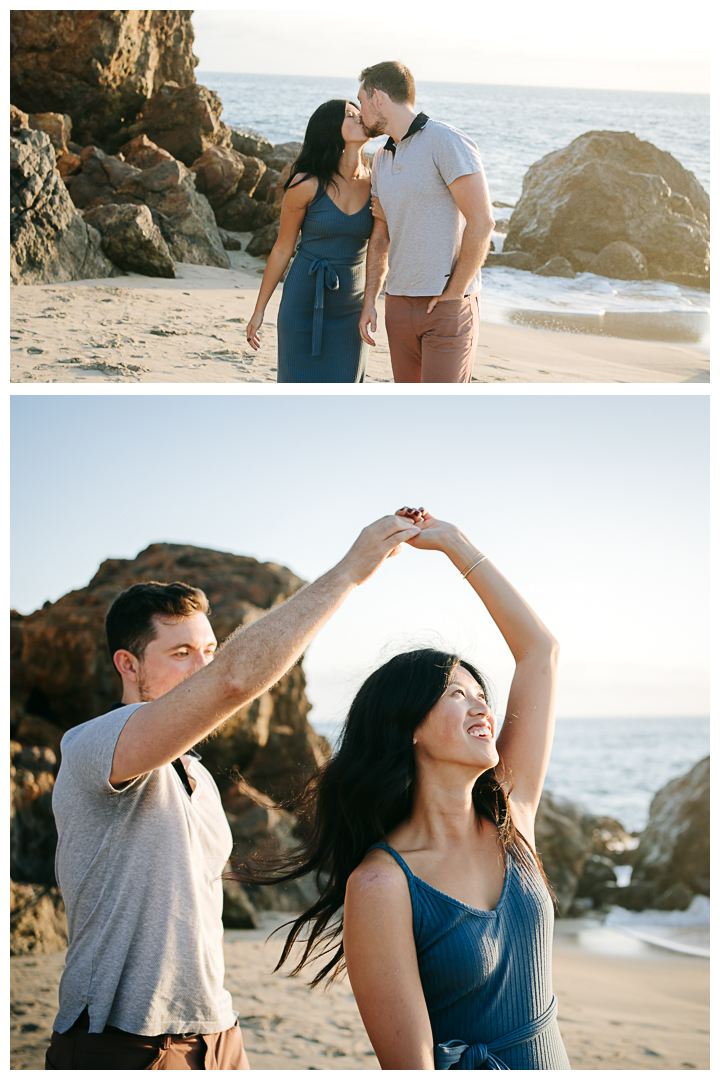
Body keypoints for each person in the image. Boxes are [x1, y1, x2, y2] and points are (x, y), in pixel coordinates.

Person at [44, 513, 421, 1071]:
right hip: (122, 1040)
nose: (203, 666)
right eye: (180, 654)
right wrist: (349, 571)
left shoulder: (197, 780)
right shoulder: (92, 747)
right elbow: (234, 682)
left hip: (218, 1033)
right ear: (128, 664)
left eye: (209, 650)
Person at [236, 506, 570, 1070]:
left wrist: (456, 544)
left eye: (479, 691)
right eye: (455, 694)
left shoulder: (514, 819)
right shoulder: (381, 884)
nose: (481, 704)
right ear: (408, 727)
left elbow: (540, 651)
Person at [357, 63, 496, 384]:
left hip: (446, 304)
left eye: (361, 100)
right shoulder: (381, 157)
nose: (360, 111)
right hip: (398, 304)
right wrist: (371, 301)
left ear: (378, 97)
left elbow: (482, 221)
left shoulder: (446, 141)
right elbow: (380, 237)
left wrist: (454, 294)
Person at [246, 99, 373, 381]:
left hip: (351, 308)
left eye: (359, 112)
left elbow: (382, 248)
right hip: (302, 302)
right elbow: (282, 250)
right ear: (329, 129)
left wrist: (373, 302)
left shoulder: (378, 184)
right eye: (350, 115)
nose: (359, 117)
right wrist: (259, 311)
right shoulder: (306, 184)